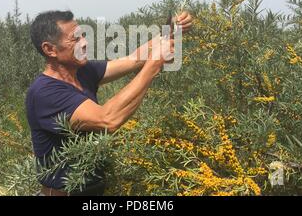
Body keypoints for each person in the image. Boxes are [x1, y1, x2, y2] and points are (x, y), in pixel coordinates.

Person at [26, 10, 193, 196]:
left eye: (83, 35)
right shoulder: (45, 93)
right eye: (75, 39)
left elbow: (132, 59)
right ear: (50, 49)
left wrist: (172, 32)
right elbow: (108, 119)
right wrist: (154, 64)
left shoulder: (80, 70)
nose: (85, 43)